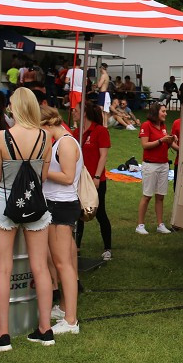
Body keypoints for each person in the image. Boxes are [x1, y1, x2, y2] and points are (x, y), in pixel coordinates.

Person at [0, 87, 53, 351]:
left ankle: (2, 335)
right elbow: (44, 176)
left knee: (3, 267)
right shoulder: (45, 136)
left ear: (14, 108)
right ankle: (45, 328)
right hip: (36, 202)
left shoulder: (1, 137)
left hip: (5, 201)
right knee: (40, 266)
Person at [40, 105, 82, 336]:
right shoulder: (60, 141)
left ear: (47, 125)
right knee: (62, 261)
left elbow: (67, 177)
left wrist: (40, 171)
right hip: (57, 204)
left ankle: (71, 320)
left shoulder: (65, 142)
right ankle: (66, 309)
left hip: (61, 205)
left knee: (62, 263)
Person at [76, 101, 112, 261]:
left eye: (76, 110)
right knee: (78, 213)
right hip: (79, 179)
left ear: (84, 112)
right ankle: (76, 246)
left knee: (100, 213)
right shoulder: (76, 132)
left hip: (96, 180)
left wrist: (97, 176)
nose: (73, 112)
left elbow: (103, 155)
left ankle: (107, 248)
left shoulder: (100, 131)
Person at [137, 101, 174, 235]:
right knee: (147, 196)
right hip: (150, 165)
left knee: (160, 196)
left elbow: (165, 145)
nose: (165, 113)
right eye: (163, 111)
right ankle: (140, 225)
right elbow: (145, 145)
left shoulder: (163, 126)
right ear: (156, 112)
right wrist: (161, 141)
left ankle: (160, 224)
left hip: (163, 164)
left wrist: (169, 141)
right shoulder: (146, 125)